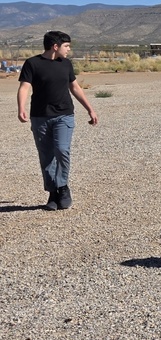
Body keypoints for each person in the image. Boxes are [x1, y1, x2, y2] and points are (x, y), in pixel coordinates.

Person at [17, 31, 99, 210]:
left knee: (62, 150)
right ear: (55, 46)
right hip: (40, 117)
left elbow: (75, 87)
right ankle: (53, 193)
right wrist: (21, 108)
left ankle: (63, 188)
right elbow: (24, 87)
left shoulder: (66, 64)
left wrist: (90, 109)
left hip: (64, 115)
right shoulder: (32, 63)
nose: (69, 49)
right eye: (66, 46)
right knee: (46, 156)